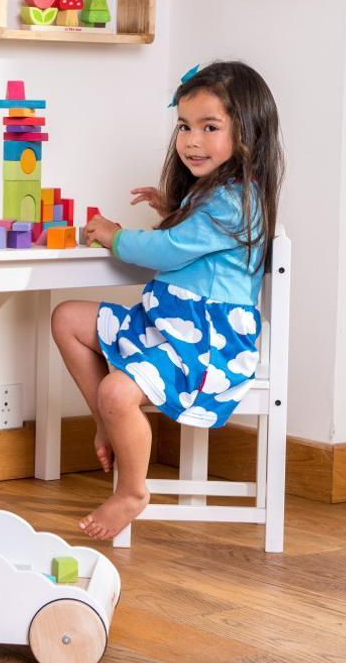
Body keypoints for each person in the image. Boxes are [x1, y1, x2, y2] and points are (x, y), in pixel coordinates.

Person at [52, 61, 283, 540]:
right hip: (167, 325)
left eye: (209, 127)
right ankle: (108, 423)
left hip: (207, 344)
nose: (191, 140)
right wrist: (174, 209)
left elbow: (168, 250)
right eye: (184, 126)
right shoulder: (218, 197)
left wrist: (115, 236)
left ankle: (132, 491)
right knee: (68, 318)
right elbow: (193, 240)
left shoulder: (236, 200)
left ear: (247, 134)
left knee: (117, 390)